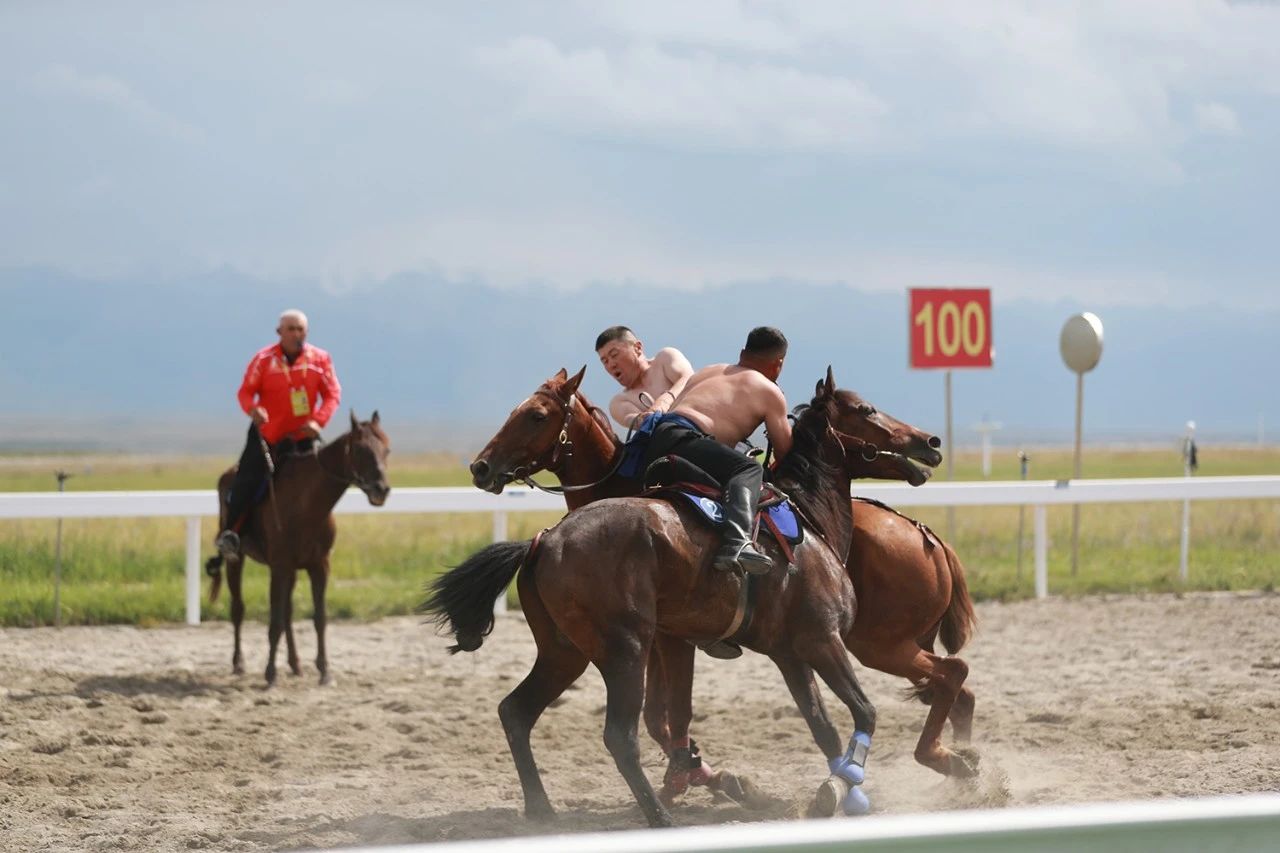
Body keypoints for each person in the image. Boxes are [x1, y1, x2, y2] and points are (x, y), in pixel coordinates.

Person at [640, 327, 792, 575]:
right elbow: (786, 451)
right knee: (748, 467)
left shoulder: (710, 370)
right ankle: (738, 542)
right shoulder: (768, 389)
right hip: (688, 440)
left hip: (656, 437)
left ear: (743, 352)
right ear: (778, 364)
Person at [214, 309, 342, 556]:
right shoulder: (263, 360)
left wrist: (318, 422)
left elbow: (332, 394)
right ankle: (231, 534)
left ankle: (317, 540)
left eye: (300, 329)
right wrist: (253, 409)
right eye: (291, 329)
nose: (296, 334)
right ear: (279, 332)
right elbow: (245, 392)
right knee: (246, 480)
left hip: (303, 437)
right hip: (267, 436)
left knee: (319, 483)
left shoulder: (320, 360)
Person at [595, 326, 695, 430]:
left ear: (637, 348)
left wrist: (663, 402)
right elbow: (635, 421)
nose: (611, 365)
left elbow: (688, 379)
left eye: (614, 355)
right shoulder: (619, 402)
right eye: (605, 361)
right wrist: (642, 419)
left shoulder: (665, 358)